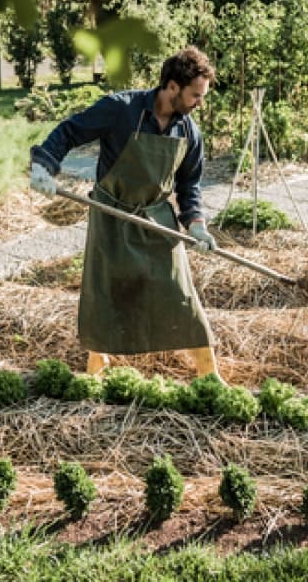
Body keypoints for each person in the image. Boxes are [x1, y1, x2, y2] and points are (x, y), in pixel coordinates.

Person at [29, 46, 222, 380]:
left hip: (157, 219)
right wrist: (44, 166)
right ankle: (97, 364)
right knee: (107, 294)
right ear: (172, 87)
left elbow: (189, 184)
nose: (199, 103)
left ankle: (208, 373)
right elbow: (70, 131)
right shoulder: (122, 110)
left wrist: (197, 225)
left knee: (181, 294)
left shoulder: (188, 131)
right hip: (112, 215)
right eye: (195, 95)